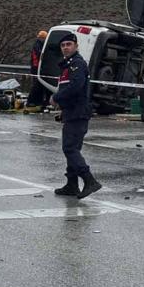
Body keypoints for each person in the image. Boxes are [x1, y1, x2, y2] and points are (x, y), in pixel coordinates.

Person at [51, 32, 101, 199]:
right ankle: (72, 184)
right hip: (71, 112)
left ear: (76, 46)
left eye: (69, 44)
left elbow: (75, 87)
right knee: (72, 148)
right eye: (63, 45)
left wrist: (56, 98)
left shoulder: (77, 64)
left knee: (70, 148)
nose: (66, 48)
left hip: (78, 112)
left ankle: (89, 180)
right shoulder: (68, 65)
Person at [24, 30, 51, 112]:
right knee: (36, 85)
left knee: (39, 85)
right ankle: (32, 101)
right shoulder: (38, 45)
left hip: (37, 67)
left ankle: (38, 101)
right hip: (36, 68)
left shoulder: (39, 44)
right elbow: (39, 55)